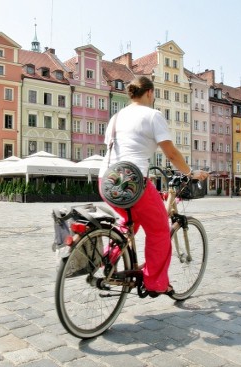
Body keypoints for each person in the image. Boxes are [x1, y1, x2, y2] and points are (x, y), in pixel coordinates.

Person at [98, 76, 208, 297]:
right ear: (149, 93)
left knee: (128, 223)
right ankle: (156, 283)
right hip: (133, 181)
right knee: (159, 229)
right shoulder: (152, 115)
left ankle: (105, 261)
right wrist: (190, 173)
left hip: (105, 181)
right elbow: (171, 153)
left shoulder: (116, 117)